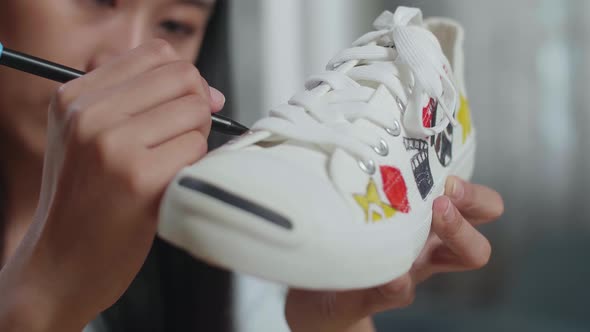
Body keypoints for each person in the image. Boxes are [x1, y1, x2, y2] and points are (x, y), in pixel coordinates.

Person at [0, 1, 504, 331]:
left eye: (175, 24)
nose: (125, 57)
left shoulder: (225, 235)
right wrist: (44, 296)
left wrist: (333, 322)